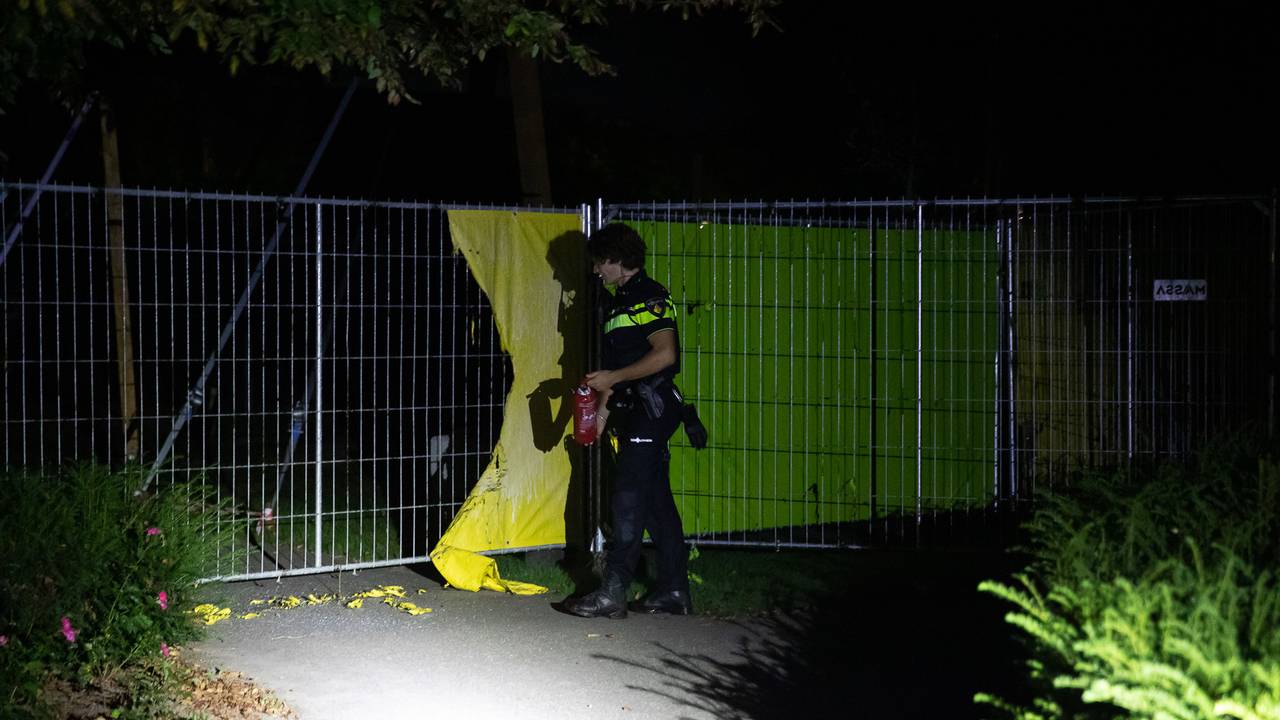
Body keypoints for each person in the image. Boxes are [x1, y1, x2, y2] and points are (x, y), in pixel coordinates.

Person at [563, 222, 694, 618]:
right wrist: (601, 413)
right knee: (655, 504)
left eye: (600, 263)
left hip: (652, 412)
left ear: (618, 260)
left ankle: (613, 593)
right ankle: (674, 592)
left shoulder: (649, 296)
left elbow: (665, 355)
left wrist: (613, 380)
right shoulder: (617, 302)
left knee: (627, 500)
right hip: (632, 411)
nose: (596, 271)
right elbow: (617, 367)